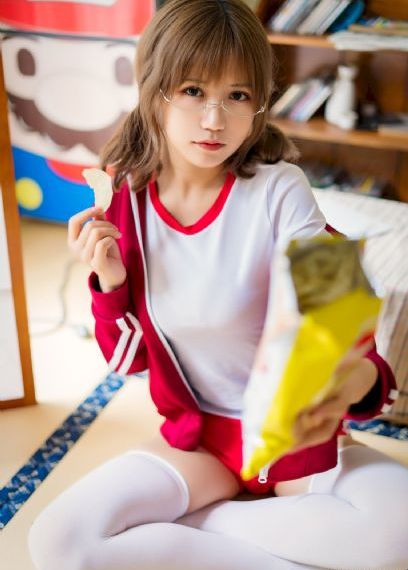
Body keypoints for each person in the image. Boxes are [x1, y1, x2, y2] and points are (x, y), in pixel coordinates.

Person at [28, 1, 408, 569]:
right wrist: (109, 282)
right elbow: (128, 361)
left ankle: (206, 522)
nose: (214, 120)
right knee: (58, 543)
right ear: (154, 89)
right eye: (192, 91)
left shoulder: (283, 189)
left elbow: (348, 335)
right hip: (199, 444)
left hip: (293, 445)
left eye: (237, 96)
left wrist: (351, 377)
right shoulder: (127, 201)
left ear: (259, 104)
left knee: (400, 535)